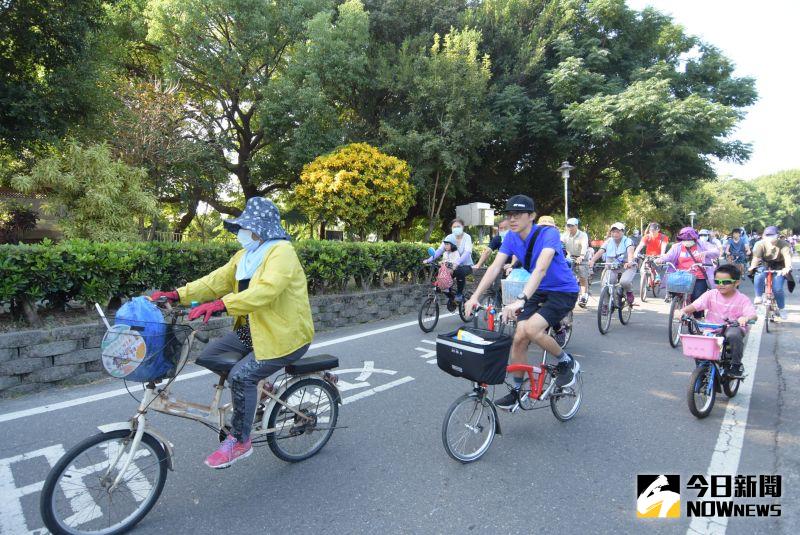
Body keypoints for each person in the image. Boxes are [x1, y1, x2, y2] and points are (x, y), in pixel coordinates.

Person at [150, 197, 314, 469]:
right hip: (255, 331)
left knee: (241, 376)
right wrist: (177, 294)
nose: (241, 233)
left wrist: (222, 304)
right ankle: (264, 390)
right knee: (210, 355)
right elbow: (215, 281)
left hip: (286, 336)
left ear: (260, 228)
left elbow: (266, 291)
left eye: (246, 228)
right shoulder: (245, 256)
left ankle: (240, 441)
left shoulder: (282, 252)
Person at [464, 194, 580, 410]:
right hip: (538, 290)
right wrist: (474, 297)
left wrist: (520, 300)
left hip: (563, 291)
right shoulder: (510, 237)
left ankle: (566, 361)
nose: (512, 219)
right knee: (518, 336)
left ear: (532, 216)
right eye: (509, 214)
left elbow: (541, 267)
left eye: (517, 214)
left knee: (532, 330)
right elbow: (494, 267)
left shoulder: (549, 233)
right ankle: (517, 390)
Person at [680, 264, 757, 377]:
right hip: (712, 328)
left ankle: (736, 365)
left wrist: (745, 318)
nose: (721, 285)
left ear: (736, 282)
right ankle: (702, 370)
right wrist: (683, 311)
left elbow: (753, 316)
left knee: (733, 334)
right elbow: (695, 305)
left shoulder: (742, 299)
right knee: (698, 342)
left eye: (726, 282)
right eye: (718, 282)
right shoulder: (711, 294)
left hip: (731, 328)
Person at [656, 227, 719, 317]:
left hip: (699, 277)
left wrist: (706, 253)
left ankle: (698, 319)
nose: (687, 241)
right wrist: (661, 259)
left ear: (694, 238)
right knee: (674, 290)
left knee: (697, 298)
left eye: (689, 239)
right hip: (682, 276)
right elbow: (668, 256)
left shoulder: (702, 245)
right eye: (684, 239)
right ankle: (678, 305)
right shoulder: (677, 247)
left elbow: (716, 252)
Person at [749, 226, 793, 320]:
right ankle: (758, 296)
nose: (770, 237)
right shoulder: (760, 244)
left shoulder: (784, 244)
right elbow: (756, 258)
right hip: (764, 264)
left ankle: (781, 309)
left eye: (772, 235)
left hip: (780, 266)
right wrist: (752, 266)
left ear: (777, 235)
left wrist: (787, 267)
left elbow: (787, 257)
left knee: (777, 288)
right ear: (764, 236)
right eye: (767, 235)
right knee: (759, 273)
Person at [425, 218, 473, 302]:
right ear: (451, 228)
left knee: (460, 272)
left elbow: (467, 252)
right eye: (454, 227)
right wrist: (429, 260)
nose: (456, 228)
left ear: (463, 227)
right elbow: (440, 250)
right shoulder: (449, 237)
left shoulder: (467, 237)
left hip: (465, 265)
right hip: (451, 266)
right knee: (442, 280)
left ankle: (459, 294)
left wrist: (457, 263)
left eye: (458, 226)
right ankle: (451, 298)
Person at [588, 222, 636, 306]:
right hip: (612, 267)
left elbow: (630, 253)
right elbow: (600, 251)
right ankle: (606, 304)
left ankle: (629, 292)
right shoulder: (608, 241)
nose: (615, 234)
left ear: (623, 232)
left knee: (624, 282)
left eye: (618, 232)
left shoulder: (628, 241)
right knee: (606, 284)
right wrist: (592, 261)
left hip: (627, 266)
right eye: (613, 232)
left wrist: (630, 262)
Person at [561, 217, 590, 307]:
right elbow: (560, 244)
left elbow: (584, 246)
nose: (569, 227)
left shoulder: (583, 235)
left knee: (582, 276)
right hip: (570, 257)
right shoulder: (565, 235)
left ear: (576, 226)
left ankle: (584, 296)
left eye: (572, 226)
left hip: (582, 257)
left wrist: (581, 256)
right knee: (565, 275)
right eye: (568, 226)